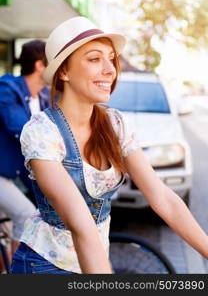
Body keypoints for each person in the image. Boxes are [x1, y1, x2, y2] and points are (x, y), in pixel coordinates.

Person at [10, 16, 208, 274]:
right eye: (94, 59)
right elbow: (80, 224)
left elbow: (164, 199)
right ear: (64, 72)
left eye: (111, 58)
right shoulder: (42, 131)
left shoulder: (115, 124)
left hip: (95, 259)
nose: (110, 69)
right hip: (43, 266)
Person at [0, 40, 50, 256]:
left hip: (15, 175)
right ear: (40, 65)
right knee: (26, 216)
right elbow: (21, 129)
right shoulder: (7, 89)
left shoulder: (43, 97)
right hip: (2, 173)